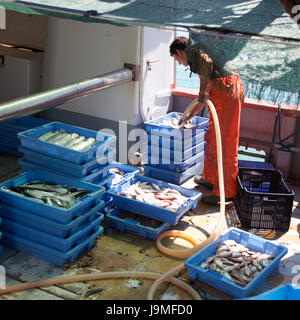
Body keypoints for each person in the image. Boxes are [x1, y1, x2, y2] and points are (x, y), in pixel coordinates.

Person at [169, 36, 245, 205]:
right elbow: (206, 92)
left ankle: (226, 192)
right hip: (220, 92)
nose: (180, 64)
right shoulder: (197, 54)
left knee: (224, 144)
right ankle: (210, 179)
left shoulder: (197, 53)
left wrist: (202, 92)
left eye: (177, 60)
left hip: (227, 92)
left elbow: (206, 66)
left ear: (180, 52)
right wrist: (191, 113)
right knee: (212, 137)